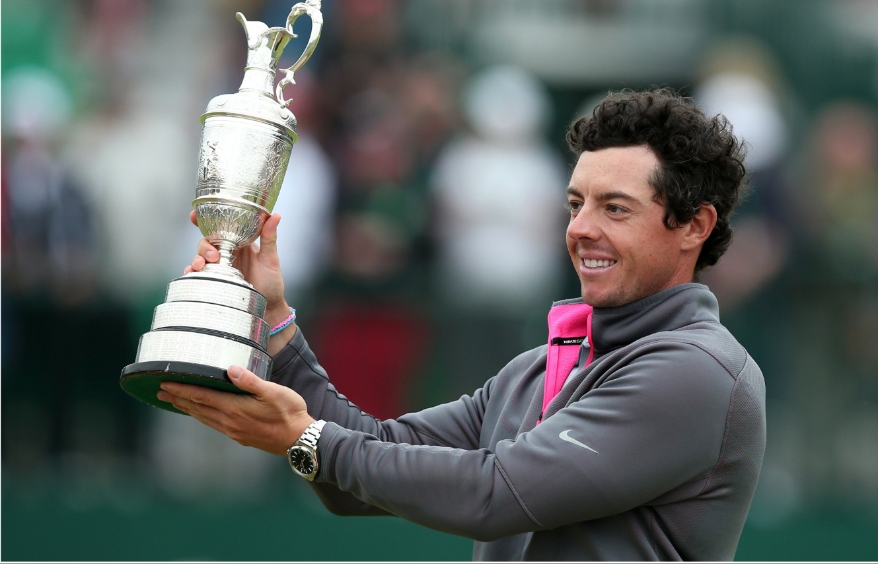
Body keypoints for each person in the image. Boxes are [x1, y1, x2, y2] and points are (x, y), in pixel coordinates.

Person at [157, 87, 766, 561]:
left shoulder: (695, 371)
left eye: (615, 208)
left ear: (695, 225)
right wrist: (276, 324)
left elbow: (495, 494)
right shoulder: (538, 369)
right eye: (576, 204)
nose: (581, 229)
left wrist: (306, 438)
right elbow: (367, 462)